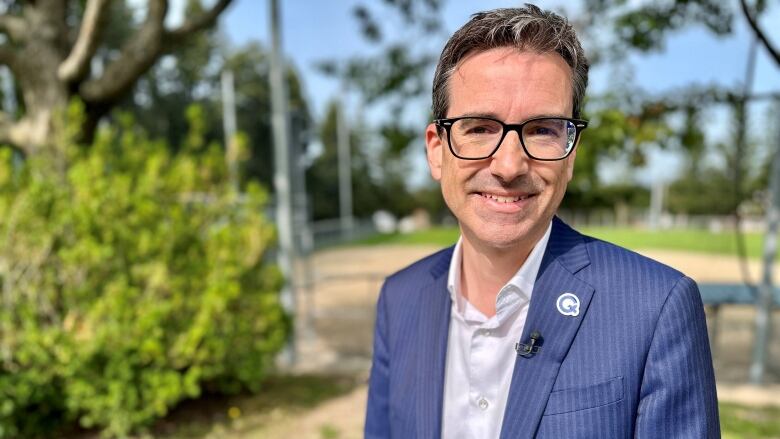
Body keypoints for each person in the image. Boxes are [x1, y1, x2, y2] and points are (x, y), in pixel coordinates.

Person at [364, 4, 719, 438]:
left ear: (571, 153)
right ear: (437, 150)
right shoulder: (399, 300)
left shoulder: (656, 309)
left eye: (542, 130)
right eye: (479, 127)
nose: (509, 164)